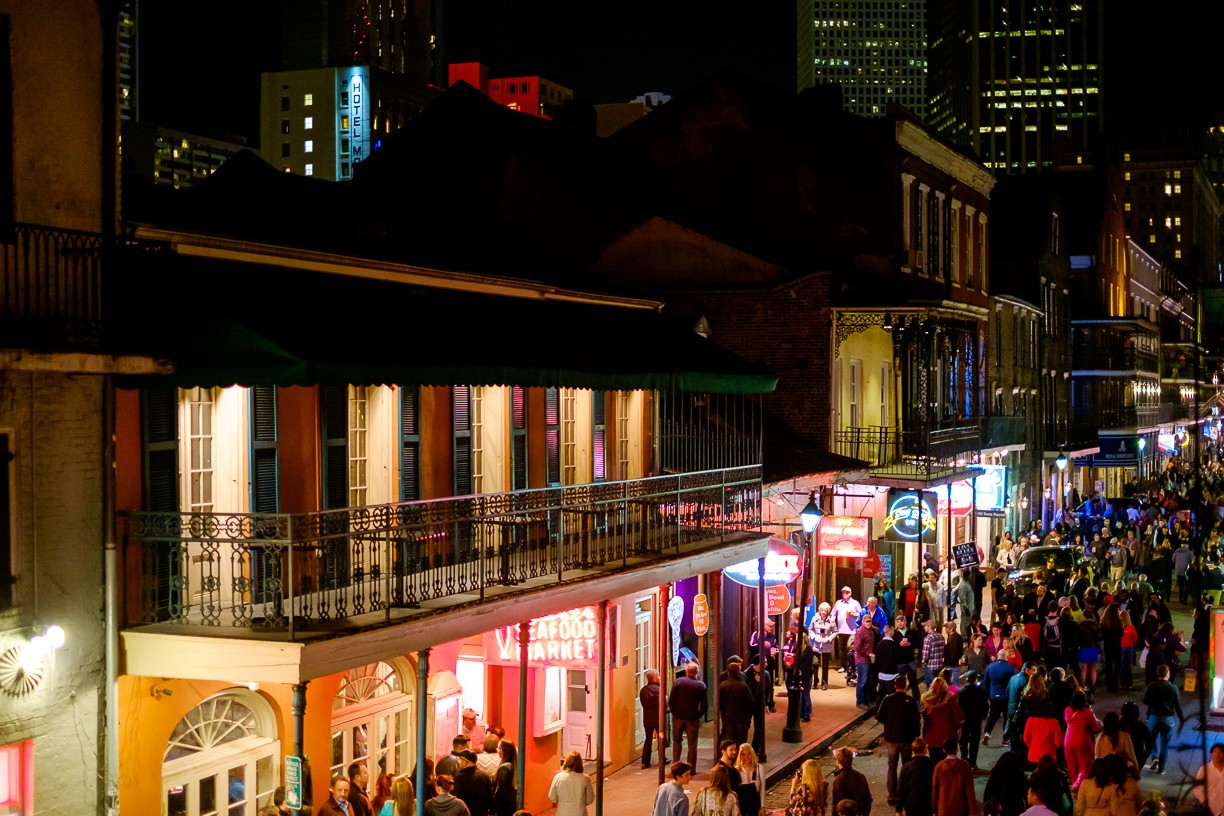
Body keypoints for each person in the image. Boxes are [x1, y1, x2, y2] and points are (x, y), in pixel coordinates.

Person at [877, 675, 920, 806]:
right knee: (906, 766)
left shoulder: (888, 700)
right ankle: (905, 792)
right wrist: (916, 735)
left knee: (892, 766)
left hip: (891, 738)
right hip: (907, 739)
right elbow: (916, 720)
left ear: (895, 685)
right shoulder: (910, 701)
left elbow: (880, 717)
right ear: (906, 685)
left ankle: (892, 794)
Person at [1142, 662, 1185, 773]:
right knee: (1165, 744)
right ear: (1167, 674)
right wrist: (1182, 719)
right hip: (1168, 719)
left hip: (1154, 717)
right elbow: (1178, 705)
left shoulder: (1152, 686)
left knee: (1151, 740)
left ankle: (1154, 757)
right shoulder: (1173, 688)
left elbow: (1145, 700)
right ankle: (1161, 769)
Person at [670, 662, 707, 771]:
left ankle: (675, 766)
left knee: (677, 740)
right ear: (696, 672)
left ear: (686, 671)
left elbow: (672, 700)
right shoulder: (700, 685)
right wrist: (698, 714)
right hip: (692, 717)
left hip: (678, 716)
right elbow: (704, 705)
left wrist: (674, 711)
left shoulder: (678, 682)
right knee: (692, 743)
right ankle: (691, 768)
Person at [920, 676, 963, 764]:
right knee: (948, 763)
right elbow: (959, 715)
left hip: (931, 738)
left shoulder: (926, 699)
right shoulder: (950, 699)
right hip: (948, 737)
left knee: (935, 763)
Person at [1062, 691, 1100, 790]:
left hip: (1068, 740)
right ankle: (1082, 787)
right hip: (1083, 740)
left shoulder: (1067, 710)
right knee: (1084, 765)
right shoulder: (1087, 713)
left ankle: (1075, 786)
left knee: (1072, 765)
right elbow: (1096, 728)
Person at [930, 739, 977, 816]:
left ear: (944, 750)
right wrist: (973, 810)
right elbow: (969, 789)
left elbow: (935, 789)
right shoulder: (964, 766)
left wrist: (934, 809)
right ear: (957, 749)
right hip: (960, 809)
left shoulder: (939, 766)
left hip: (943, 809)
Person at [982, 648, 1017, 746]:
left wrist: (988, 696)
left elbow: (986, 682)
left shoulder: (990, 667)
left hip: (994, 696)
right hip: (1006, 697)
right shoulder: (1010, 668)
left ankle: (987, 733)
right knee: (1007, 718)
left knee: (992, 716)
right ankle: (1006, 739)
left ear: (998, 656)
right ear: (1006, 657)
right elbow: (1013, 682)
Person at [896, 737, 934, 816]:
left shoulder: (906, 767)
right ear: (925, 749)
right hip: (927, 804)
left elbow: (901, 789)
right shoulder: (931, 765)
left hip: (911, 805)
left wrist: (899, 809)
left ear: (913, 750)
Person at [957, 670, 988, 769]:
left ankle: (964, 760)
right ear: (976, 680)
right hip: (976, 721)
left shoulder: (961, 692)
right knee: (974, 742)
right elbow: (985, 707)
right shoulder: (981, 691)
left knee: (963, 741)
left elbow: (959, 706)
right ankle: (973, 762)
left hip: (965, 720)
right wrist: (982, 716)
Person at [984, 750, 1028, 816]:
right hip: (1017, 809)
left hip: (999, 810)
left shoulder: (996, 775)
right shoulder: (1019, 776)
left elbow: (987, 795)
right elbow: (1026, 795)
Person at [832, 587, 862, 681]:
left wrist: (854, 614)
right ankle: (843, 666)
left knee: (850, 649)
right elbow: (833, 614)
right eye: (843, 592)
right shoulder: (838, 603)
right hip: (841, 630)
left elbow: (861, 614)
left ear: (850, 593)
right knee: (841, 649)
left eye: (846, 592)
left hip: (852, 630)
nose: (844, 594)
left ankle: (851, 667)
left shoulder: (855, 603)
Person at [718, 663, 753, 745]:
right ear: (738, 672)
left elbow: (718, 702)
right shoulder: (743, 686)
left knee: (729, 739)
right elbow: (750, 702)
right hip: (741, 717)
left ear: (728, 673)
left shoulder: (722, 685)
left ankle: (730, 755)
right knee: (741, 739)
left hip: (727, 716)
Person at [830, 748, 871, 816]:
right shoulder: (860, 776)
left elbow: (837, 803)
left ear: (838, 761)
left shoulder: (839, 780)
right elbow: (868, 799)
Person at [1023, 699, 1062, 768]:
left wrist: (1032, 745)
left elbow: (1026, 738)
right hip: (1049, 756)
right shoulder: (1054, 722)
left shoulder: (1030, 720)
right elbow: (1058, 742)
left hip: (1033, 754)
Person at [640, 669, 668, 768]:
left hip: (647, 718)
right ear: (655, 678)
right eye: (658, 676)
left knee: (648, 739)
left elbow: (643, 704)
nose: (660, 677)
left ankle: (645, 762)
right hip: (658, 718)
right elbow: (663, 705)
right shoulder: (658, 690)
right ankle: (662, 759)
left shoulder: (643, 690)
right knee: (661, 739)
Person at [452, 751, 492, 816]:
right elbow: (490, 798)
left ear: (466, 761)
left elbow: (456, 798)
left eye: (461, 759)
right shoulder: (485, 776)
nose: (460, 762)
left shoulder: (459, 777)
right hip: (481, 813)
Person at [810, 601, 837, 691]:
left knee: (825, 665)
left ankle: (824, 682)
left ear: (828, 611)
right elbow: (810, 629)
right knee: (815, 663)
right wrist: (814, 637)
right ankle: (815, 680)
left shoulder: (832, 619)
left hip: (826, 645)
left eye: (825, 611)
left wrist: (829, 639)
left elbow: (835, 631)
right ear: (819, 610)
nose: (823, 612)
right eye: (822, 610)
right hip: (816, 644)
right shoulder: (814, 618)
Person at [852, 614, 876, 709]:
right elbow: (857, 647)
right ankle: (860, 701)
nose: (868, 623)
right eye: (867, 621)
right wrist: (868, 653)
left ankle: (866, 699)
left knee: (868, 681)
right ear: (862, 622)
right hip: (862, 659)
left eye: (870, 621)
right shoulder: (860, 632)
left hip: (869, 659)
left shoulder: (870, 631)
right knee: (862, 680)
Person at [1194, 742, 1224, 816]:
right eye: (1215, 752)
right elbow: (1197, 788)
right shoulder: (1204, 769)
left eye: (1220, 752)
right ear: (1211, 753)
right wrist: (1205, 802)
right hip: (1212, 806)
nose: (1217, 754)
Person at [734, 744, 764, 816]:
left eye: (749, 754)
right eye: (743, 754)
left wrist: (763, 806)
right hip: (741, 803)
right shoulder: (736, 769)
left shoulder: (758, 768)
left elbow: (762, 788)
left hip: (754, 803)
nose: (746, 757)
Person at [491, 740, 518, 816]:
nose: (497, 750)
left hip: (504, 806)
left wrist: (493, 807)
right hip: (509, 803)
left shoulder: (505, 768)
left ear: (504, 751)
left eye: (499, 748)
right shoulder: (510, 765)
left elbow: (500, 789)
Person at [921, 619, 946, 690]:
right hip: (940, 666)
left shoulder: (928, 638)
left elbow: (925, 655)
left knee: (931, 689)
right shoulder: (941, 636)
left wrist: (923, 663)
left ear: (929, 626)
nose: (924, 627)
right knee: (939, 688)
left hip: (930, 667)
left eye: (925, 626)